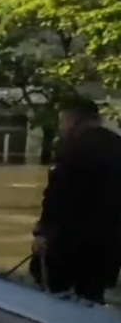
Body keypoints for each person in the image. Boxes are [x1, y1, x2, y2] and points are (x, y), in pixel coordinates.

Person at [30, 99, 121, 303]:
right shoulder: (117, 145)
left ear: (73, 120)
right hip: (109, 243)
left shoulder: (74, 148)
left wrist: (43, 233)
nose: (61, 127)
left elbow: (59, 195)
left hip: (70, 241)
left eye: (63, 121)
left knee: (55, 294)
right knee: (92, 296)